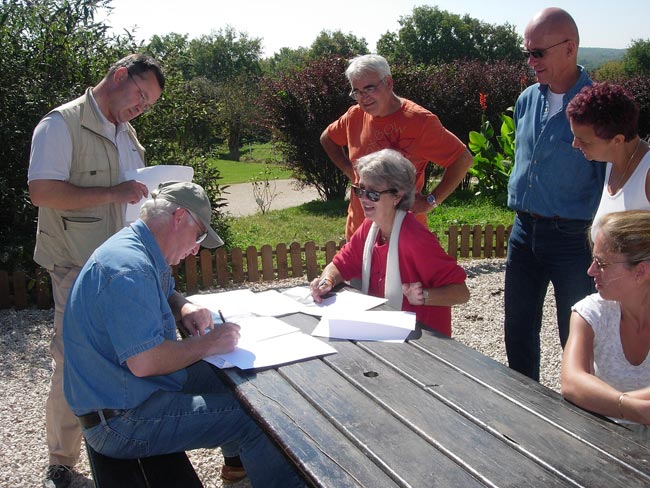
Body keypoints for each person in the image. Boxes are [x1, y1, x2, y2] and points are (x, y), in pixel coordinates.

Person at [63, 181, 305, 488]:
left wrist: (185, 307)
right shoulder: (130, 269)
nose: (197, 248)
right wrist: (208, 343)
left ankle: (238, 469)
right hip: (120, 421)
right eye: (199, 235)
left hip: (125, 393)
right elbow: (146, 362)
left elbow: (165, 293)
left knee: (234, 375)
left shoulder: (138, 247)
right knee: (256, 420)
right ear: (179, 217)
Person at [28, 53, 164, 487]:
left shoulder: (129, 134)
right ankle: (61, 462)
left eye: (148, 104)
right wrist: (114, 193)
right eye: (140, 95)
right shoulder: (60, 124)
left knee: (130, 353)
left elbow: (132, 197)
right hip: (75, 264)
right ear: (119, 75)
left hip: (122, 267)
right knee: (72, 360)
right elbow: (42, 191)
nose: (140, 107)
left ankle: (123, 441)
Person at [504, 8, 606, 381]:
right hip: (523, 232)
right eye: (527, 53)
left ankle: (583, 424)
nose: (531, 62)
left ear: (570, 48)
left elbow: (609, 179)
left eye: (538, 53)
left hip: (572, 240)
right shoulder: (528, 99)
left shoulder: (598, 108)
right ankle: (524, 410)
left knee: (577, 334)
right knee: (517, 330)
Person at [310, 149, 469, 336]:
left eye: (373, 194)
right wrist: (327, 281)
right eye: (360, 190)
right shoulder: (370, 227)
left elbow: (461, 293)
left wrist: (424, 296)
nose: (363, 198)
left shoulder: (415, 239)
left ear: (398, 196)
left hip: (423, 342)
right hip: (383, 331)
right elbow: (339, 264)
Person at [320, 54, 473, 241]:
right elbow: (328, 138)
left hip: (404, 236)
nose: (363, 97)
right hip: (359, 233)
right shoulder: (355, 116)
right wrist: (350, 171)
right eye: (357, 91)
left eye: (369, 88)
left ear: (388, 82)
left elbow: (463, 159)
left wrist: (431, 200)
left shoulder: (419, 121)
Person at [561, 210, 650, 438]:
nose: (590, 271)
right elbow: (572, 382)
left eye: (601, 263)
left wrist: (603, 400)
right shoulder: (591, 312)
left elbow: (580, 386)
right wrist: (635, 409)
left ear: (640, 271)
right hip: (605, 442)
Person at [567, 82, 650, 241]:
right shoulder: (610, 163)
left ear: (617, 140)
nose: (574, 145)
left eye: (584, 141)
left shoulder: (647, 173)